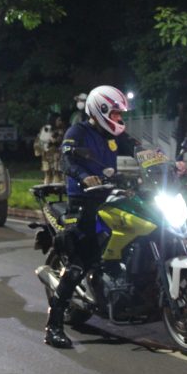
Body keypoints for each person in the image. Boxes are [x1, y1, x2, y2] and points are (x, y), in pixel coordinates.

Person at [45, 85, 139, 348]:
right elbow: (66, 161)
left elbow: (138, 149)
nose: (121, 119)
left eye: (121, 114)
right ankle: (53, 327)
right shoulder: (79, 132)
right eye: (118, 114)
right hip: (84, 200)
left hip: (111, 196)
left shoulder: (115, 135)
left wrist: (167, 163)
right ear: (103, 110)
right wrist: (84, 176)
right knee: (81, 261)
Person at [34, 114, 65, 185]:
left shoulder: (60, 129)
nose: (60, 122)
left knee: (57, 171)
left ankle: (56, 185)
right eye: (59, 120)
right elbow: (44, 139)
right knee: (48, 172)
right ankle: (47, 185)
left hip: (56, 154)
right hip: (48, 153)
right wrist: (53, 138)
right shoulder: (46, 128)